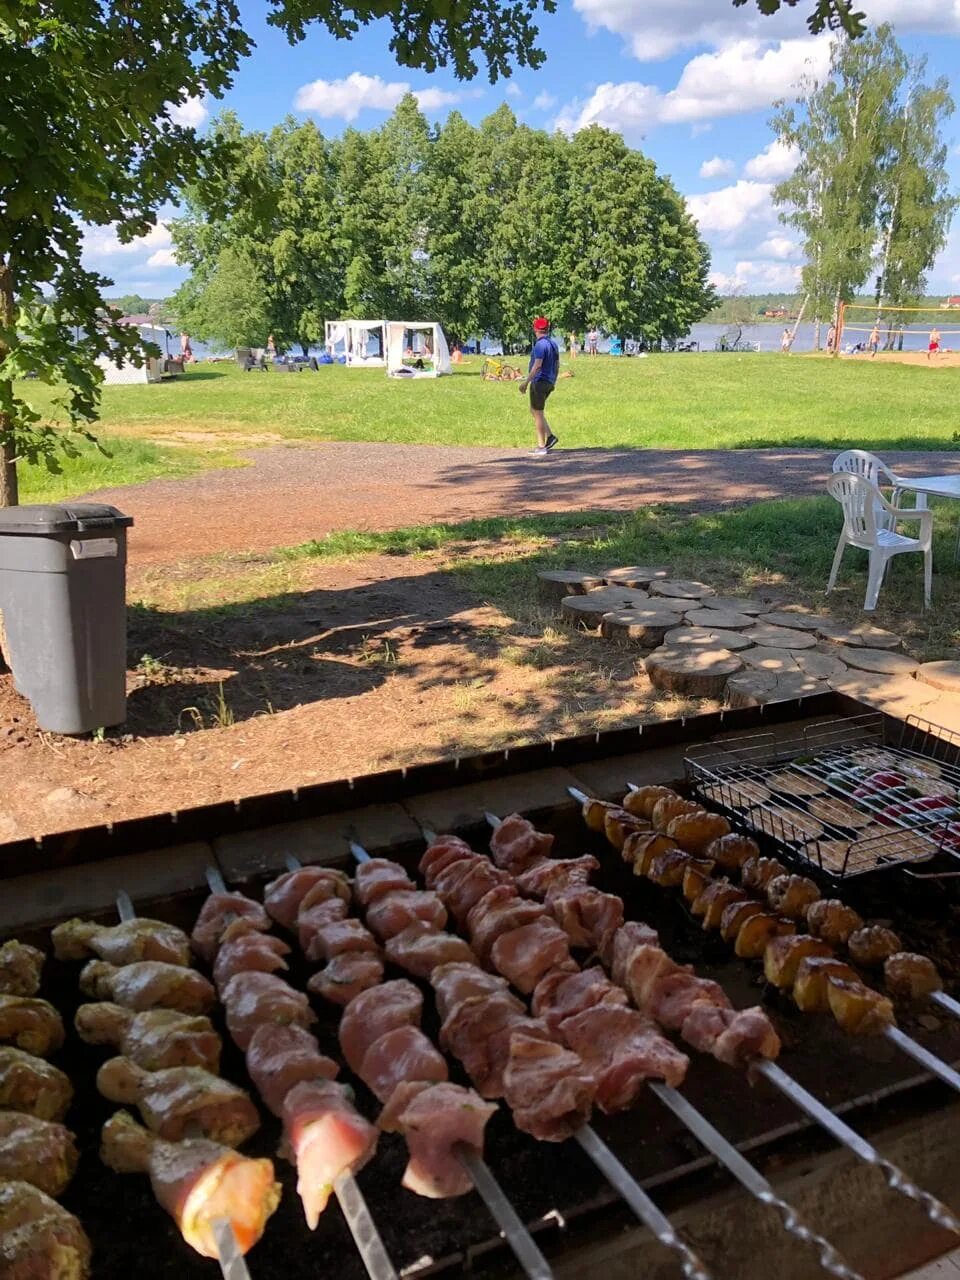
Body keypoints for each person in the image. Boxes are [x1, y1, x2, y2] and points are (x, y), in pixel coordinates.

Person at [519, 316, 560, 457]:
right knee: (535, 410)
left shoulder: (540, 345)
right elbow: (557, 364)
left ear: (535, 329)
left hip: (539, 381)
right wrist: (553, 380)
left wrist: (525, 383)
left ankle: (541, 446)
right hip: (549, 381)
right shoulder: (553, 344)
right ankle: (550, 436)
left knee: (537, 413)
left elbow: (537, 366)